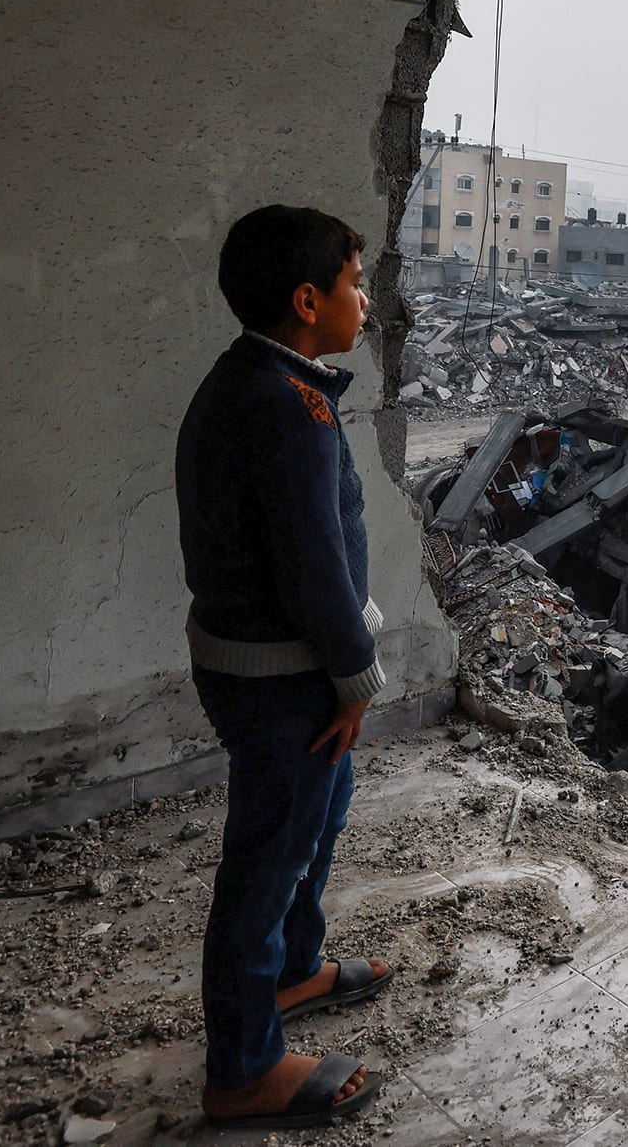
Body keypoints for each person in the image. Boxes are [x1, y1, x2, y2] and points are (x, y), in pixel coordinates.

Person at [175, 205, 396, 1127]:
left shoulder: (256, 381)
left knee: (317, 813)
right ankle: (244, 1066)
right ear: (308, 300)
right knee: (266, 858)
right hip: (284, 676)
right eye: (355, 282)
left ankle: (297, 970)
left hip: (263, 663)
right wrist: (356, 681)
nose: (366, 299)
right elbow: (314, 569)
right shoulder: (289, 410)